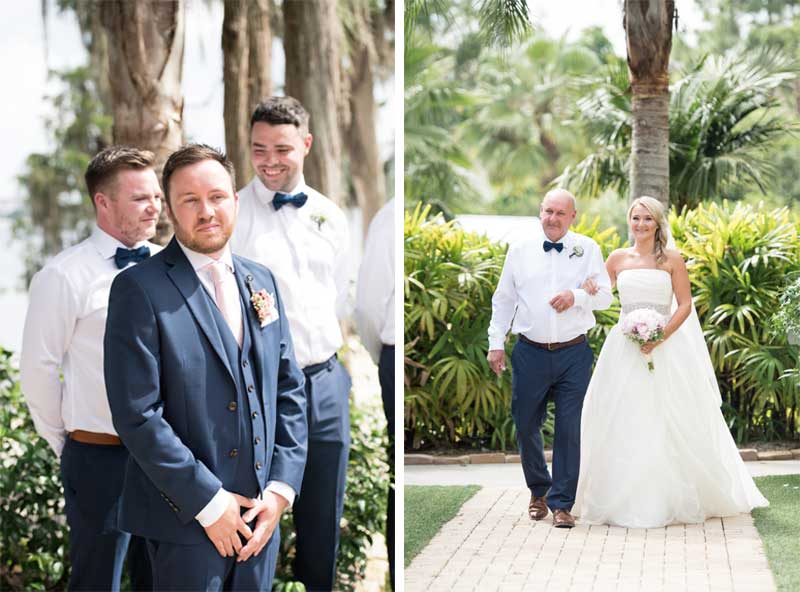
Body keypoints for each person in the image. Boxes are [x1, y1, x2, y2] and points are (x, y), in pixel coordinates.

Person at [103, 144, 308, 590]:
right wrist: (210, 504)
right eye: (190, 200)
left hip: (260, 519)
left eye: (216, 196)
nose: (207, 211)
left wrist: (279, 492)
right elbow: (137, 415)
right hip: (185, 524)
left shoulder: (262, 280)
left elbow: (288, 389)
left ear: (235, 200)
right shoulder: (138, 288)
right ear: (170, 210)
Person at [573, 196, 768, 527]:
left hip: (665, 346)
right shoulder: (618, 258)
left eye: (648, 219)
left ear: (658, 223)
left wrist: (660, 336)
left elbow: (684, 304)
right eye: (636, 218)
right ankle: (617, 494)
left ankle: (677, 495)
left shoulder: (673, 259)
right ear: (629, 221)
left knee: (671, 414)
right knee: (621, 414)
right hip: (624, 347)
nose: (641, 224)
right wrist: (588, 287)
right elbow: (600, 295)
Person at [19, 146, 160, 591]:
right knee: (99, 581)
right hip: (99, 458)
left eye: (157, 195)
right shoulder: (64, 276)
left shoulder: (170, 266)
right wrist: (69, 443)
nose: (155, 206)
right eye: (140, 198)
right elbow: (38, 370)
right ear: (103, 202)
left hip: (166, 459)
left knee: (163, 579)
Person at [230, 96, 351, 590]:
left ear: (306, 144)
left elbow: (342, 295)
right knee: (254, 514)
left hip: (324, 378)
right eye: (259, 149)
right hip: (260, 386)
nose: (270, 161)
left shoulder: (330, 214)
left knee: (323, 517)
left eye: (281, 148)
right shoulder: (234, 214)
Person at [487, 188, 613, 528]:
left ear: (573, 216)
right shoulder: (520, 249)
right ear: (539, 212)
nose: (552, 219)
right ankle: (538, 490)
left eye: (560, 213)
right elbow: (504, 300)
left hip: (574, 352)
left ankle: (561, 503)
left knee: (570, 429)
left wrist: (576, 296)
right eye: (547, 211)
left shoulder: (587, 249)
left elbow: (605, 296)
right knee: (526, 422)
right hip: (529, 351)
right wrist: (496, 342)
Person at [355, 197, 395, 588]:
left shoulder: (387, 215)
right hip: (392, 351)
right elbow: (366, 305)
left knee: (394, 470)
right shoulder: (387, 216)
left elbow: (366, 307)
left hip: (391, 351)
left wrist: (378, 352)